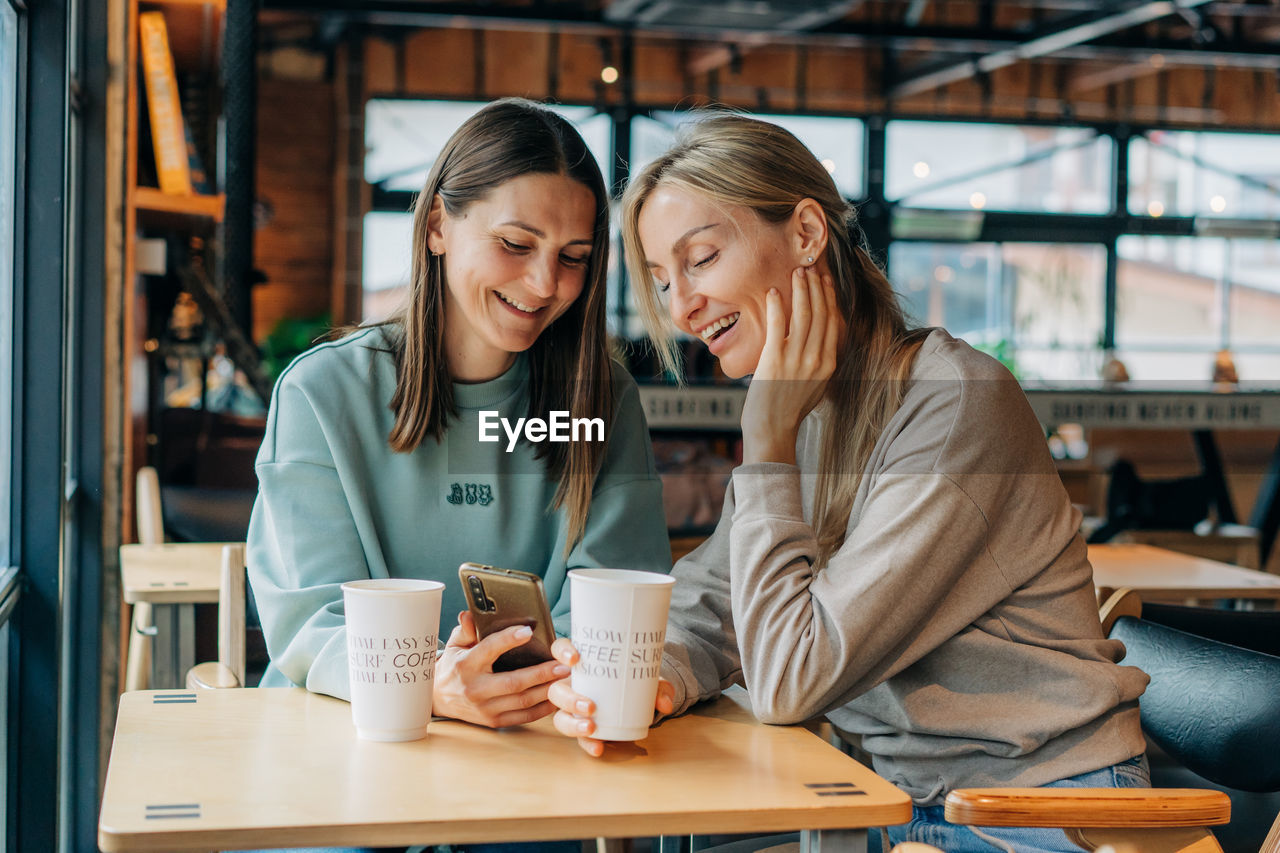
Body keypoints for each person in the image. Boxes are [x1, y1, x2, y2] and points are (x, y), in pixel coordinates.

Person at [548, 113, 1150, 853]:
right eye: (664, 281)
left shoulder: (955, 404)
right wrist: (659, 676)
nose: (680, 309)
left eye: (700, 259)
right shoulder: (809, 407)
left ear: (805, 233)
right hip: (897, 801)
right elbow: (717, 600)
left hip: (1043, 810)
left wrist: (764, 441)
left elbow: (791, 679)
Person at [247, 98, 671, 744]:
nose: (543, 283)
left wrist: (556, 685)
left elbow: (613, 606)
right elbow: (312, 622)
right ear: (438, 225)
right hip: (343, 743)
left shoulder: (600, 400)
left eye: (574, 256)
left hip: (533, 748)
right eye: (515, 243)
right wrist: (431, 688)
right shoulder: (323, 392)